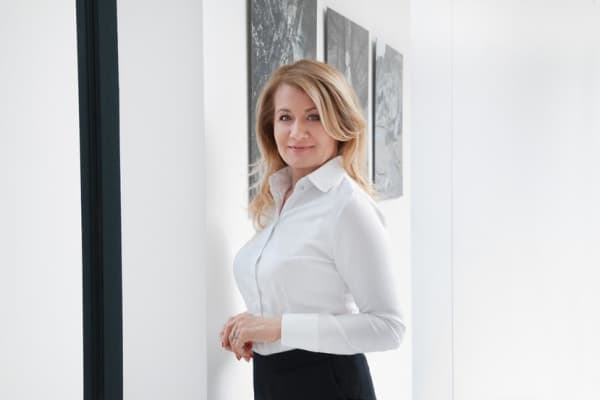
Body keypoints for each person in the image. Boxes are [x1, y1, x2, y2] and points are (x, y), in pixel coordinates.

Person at [219, 59, 405, 400]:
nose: (297, 132)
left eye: (314, 116)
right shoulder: (277, 198)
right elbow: (305, 292)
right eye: (285, 117)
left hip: (327, 383)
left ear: (339, 124)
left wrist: (278, 327)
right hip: (272, 381)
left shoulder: (348, 206)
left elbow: (388, 327)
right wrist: (253, 322)